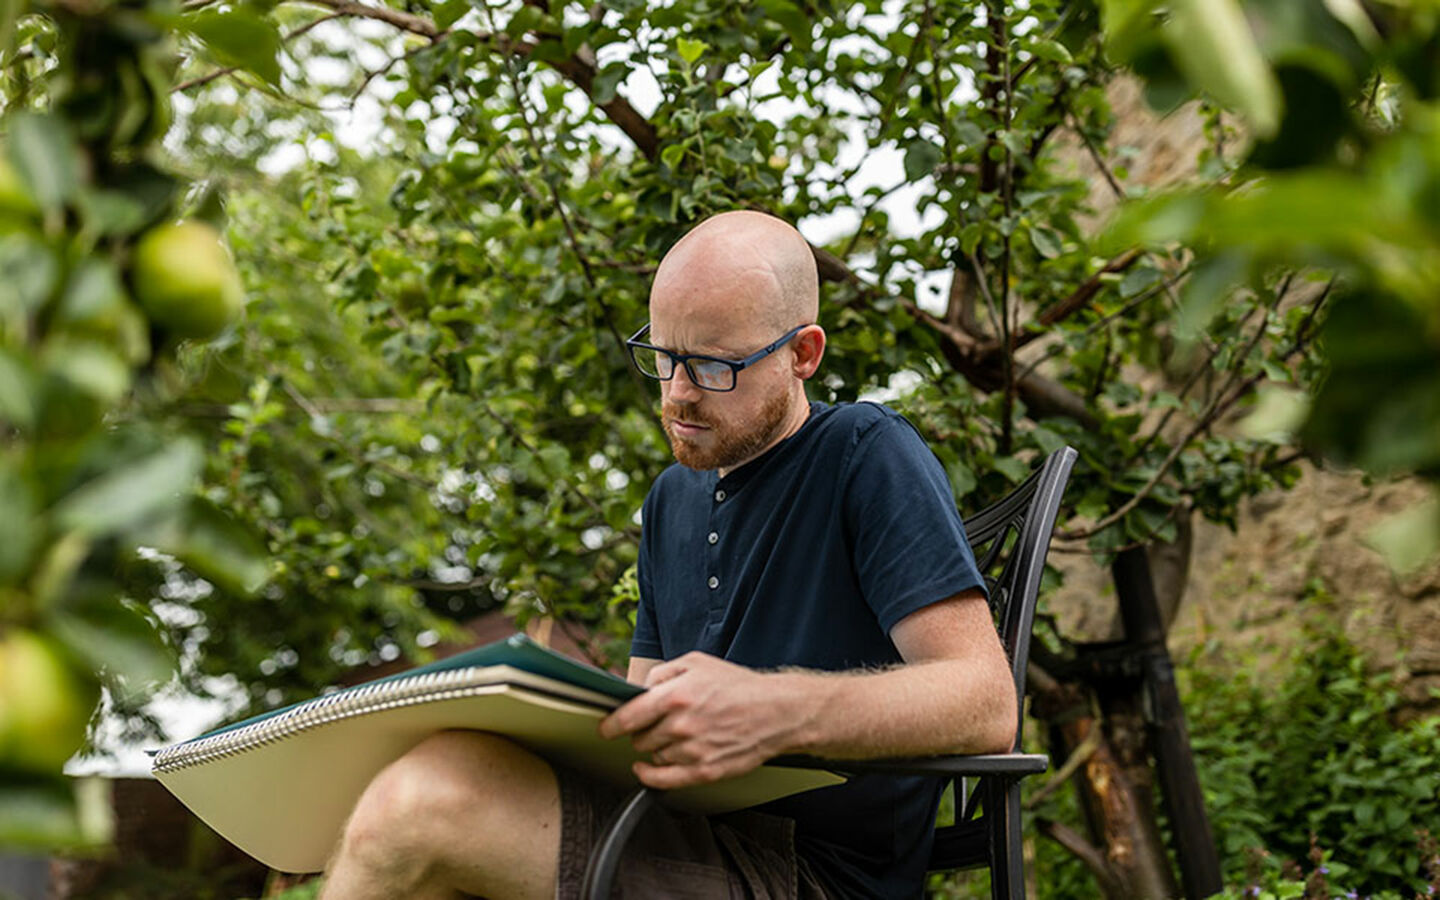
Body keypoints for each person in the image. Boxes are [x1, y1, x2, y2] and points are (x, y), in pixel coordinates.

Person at [318, 211, 1017, 900]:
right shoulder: (670, 500)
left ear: (803, 353)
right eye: (664, 356)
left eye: (712, 365)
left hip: (812, 876)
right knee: (439, 775)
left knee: (414, 809)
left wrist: (774, 708)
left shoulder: (863, 452)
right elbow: (639, 722)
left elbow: (985, 703)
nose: (678, 392)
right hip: (672, 836)